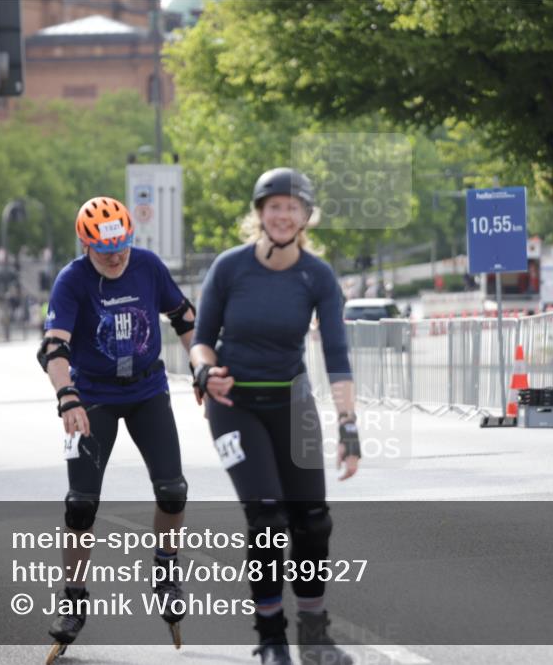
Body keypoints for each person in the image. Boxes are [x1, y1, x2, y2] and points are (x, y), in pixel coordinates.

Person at [190, 168, 360, 665]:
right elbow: (201, 340)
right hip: (234, 406)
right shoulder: (229, 268)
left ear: (306, 216)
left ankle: (315, 635)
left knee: (312, 522)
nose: (283, 215)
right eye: (274, 206)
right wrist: (205, 374)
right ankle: (269, 637)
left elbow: (337, 355)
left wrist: (348, 425)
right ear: (260, 213)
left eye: (293, 207)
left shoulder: (318, 276)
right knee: (266, 517)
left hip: (293, 404)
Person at [38, 196, 196, 655]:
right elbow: (54, 347)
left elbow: (183, 316)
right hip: (93, 398)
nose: (115, 255)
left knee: (173, 491)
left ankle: (166, 572)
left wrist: (204, 364)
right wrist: (67, 397)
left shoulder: (147, 266)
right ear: (86, 243)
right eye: (104, 248)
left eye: (122, 245)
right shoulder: (72, 280)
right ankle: (73, 600)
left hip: (148, 392)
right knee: (80, 506)